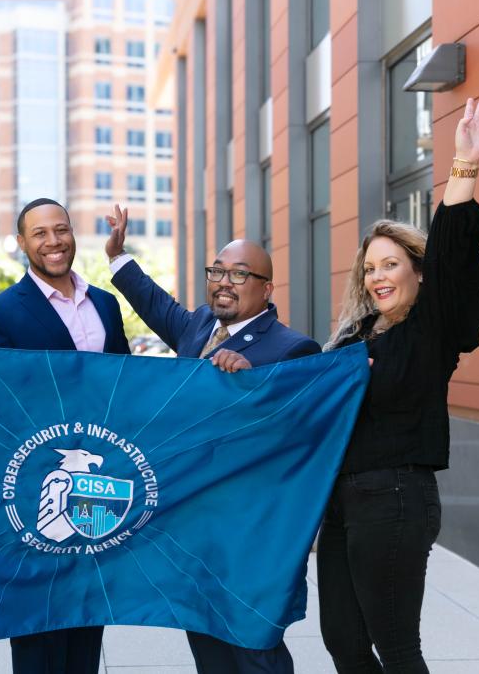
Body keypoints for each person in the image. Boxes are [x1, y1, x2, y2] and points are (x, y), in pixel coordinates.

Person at [317, 98, 479, 673]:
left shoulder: (431, 329)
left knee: (395, 647)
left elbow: (454, 253)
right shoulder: (356, 336)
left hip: (395, 498)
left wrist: (463, 167)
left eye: (390, 265)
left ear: (418, 271)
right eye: (370, 269)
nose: (377, 277)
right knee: (343, 641)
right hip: (342, 504)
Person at [104, 206, 319, 673]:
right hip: (193, 527)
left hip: (251, 535)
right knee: (207, 643)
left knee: (255, 646)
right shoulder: (200, 326)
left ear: (267, 288)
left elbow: (297, 434)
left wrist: (254, 387)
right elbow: (155, 303)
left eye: (239, 274)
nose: (224, 281)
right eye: (217, 270)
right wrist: (118, 256)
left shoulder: (292, 350)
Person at [0, 197, 129, 674]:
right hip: (37, 484)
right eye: (39, 233)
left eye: (60, 229)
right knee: (38, 622)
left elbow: (125, 387)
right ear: (21, 243)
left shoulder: (104, 303)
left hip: (99, 481)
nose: (53, 241)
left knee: (87, 610)